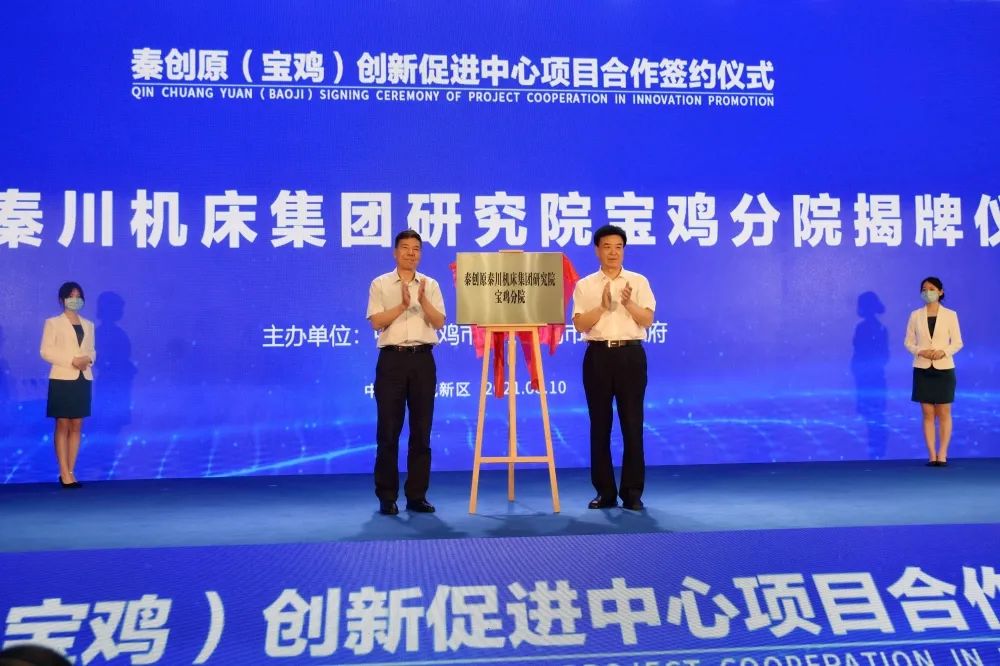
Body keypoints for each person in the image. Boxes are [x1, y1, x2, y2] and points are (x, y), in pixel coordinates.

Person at [572, 225, 656, 510]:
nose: (613, 252)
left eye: (618, 247)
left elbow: (647, 320)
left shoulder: (638, 281)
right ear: (597, 250)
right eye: (607, 247)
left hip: (631, 356)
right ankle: (605, 492)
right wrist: (602, 307)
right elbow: (579, 324)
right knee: (600, 425)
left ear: (624, 250)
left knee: (632, 424)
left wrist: (628, 303)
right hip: (598, 356)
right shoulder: (585, 285)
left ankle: (632, 493)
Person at [366, 230, 446, 515]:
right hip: (392, 361)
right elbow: (376, 322)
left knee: (421, 432)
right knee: (388, 431)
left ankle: (417, 495)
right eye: (405, 248)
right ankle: (387, 496)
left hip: (423, 360)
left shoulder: (430, 285)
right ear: (395, 252)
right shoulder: (380, 283)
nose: (411, 253)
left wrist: (422, 301)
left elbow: (439, 322)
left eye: (416, 249)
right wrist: (401, 306)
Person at [40, 282, 96, 489]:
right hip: (62, 378)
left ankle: (71, 471)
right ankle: (63, 472)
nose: (75, 299)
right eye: (71, 296)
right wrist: (72, 360)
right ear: (62, 299)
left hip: (83, 378)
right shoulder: (53, 323)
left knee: (77, 425)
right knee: (63, 424)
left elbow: (92, 350)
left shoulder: (88, 324)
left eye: (78, 296)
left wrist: (88, 359)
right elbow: (46, 351)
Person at [904, 276, 963, 466]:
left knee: (944, 412)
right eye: (924, 289)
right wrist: (920, 351)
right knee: (928, 413)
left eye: (931, 289)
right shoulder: (915, 315)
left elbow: (957, 342)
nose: (927, 292)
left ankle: (942, 454)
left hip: (944, 368)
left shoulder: (951, 315)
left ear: (940, 292)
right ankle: (931, 455)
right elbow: (908, 342)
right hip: (922, 369)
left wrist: (943, 352)